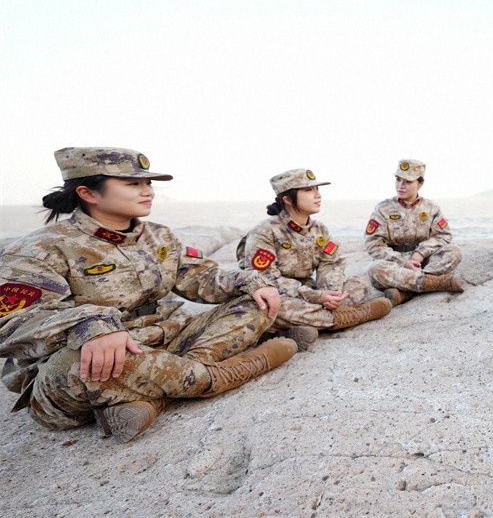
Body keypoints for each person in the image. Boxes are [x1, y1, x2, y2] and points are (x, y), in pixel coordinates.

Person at [0, 148, 297, 443]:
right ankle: (232, 372)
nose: (148, 192)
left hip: (165, 339)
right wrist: (91, 327)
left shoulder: (158, 236)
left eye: (148, 183)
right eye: (133, 184)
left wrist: (250, 281)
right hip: (100, 364)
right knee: (77, 364)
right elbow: (11, 323)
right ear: (88, 193)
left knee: (256, 304)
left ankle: (159, 395)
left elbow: (200, 277)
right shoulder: (40, 249)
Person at [237, 169, 392, 351]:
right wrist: (317, 297)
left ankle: (298, 328)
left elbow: (331, 263)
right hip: (279, 295)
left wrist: (331, 293)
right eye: (308, 190)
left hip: (311, 294)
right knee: (275, 307)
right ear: (288, 199)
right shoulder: (264, 232)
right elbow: (266, 280)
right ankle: (350, 316)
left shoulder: (319, 230)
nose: (318, 195)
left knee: (361, 283)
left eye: (317, 189)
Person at [365, 160, 464, 304]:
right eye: (398, 179)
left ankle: (405, 293)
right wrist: (403, 262)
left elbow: (443, 235)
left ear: (420, 184)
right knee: (374, 269)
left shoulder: (431, 208)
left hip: (424, 263)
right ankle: (433, 283)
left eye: (408, 181)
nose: (401, 185)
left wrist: (420, 254)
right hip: (396, 264)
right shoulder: (383, 208)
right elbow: (373, 244)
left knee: (454, 251)